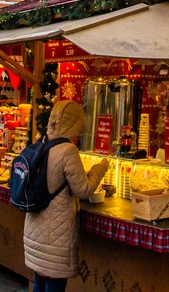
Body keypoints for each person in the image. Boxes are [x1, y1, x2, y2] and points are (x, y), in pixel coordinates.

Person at [23, 100, 109, 292]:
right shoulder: (67, 150)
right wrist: (99, 169)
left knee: (39, 282)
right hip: (56, 234)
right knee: (54, 285)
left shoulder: (40, 144)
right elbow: (84, 189)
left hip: (34, 229)